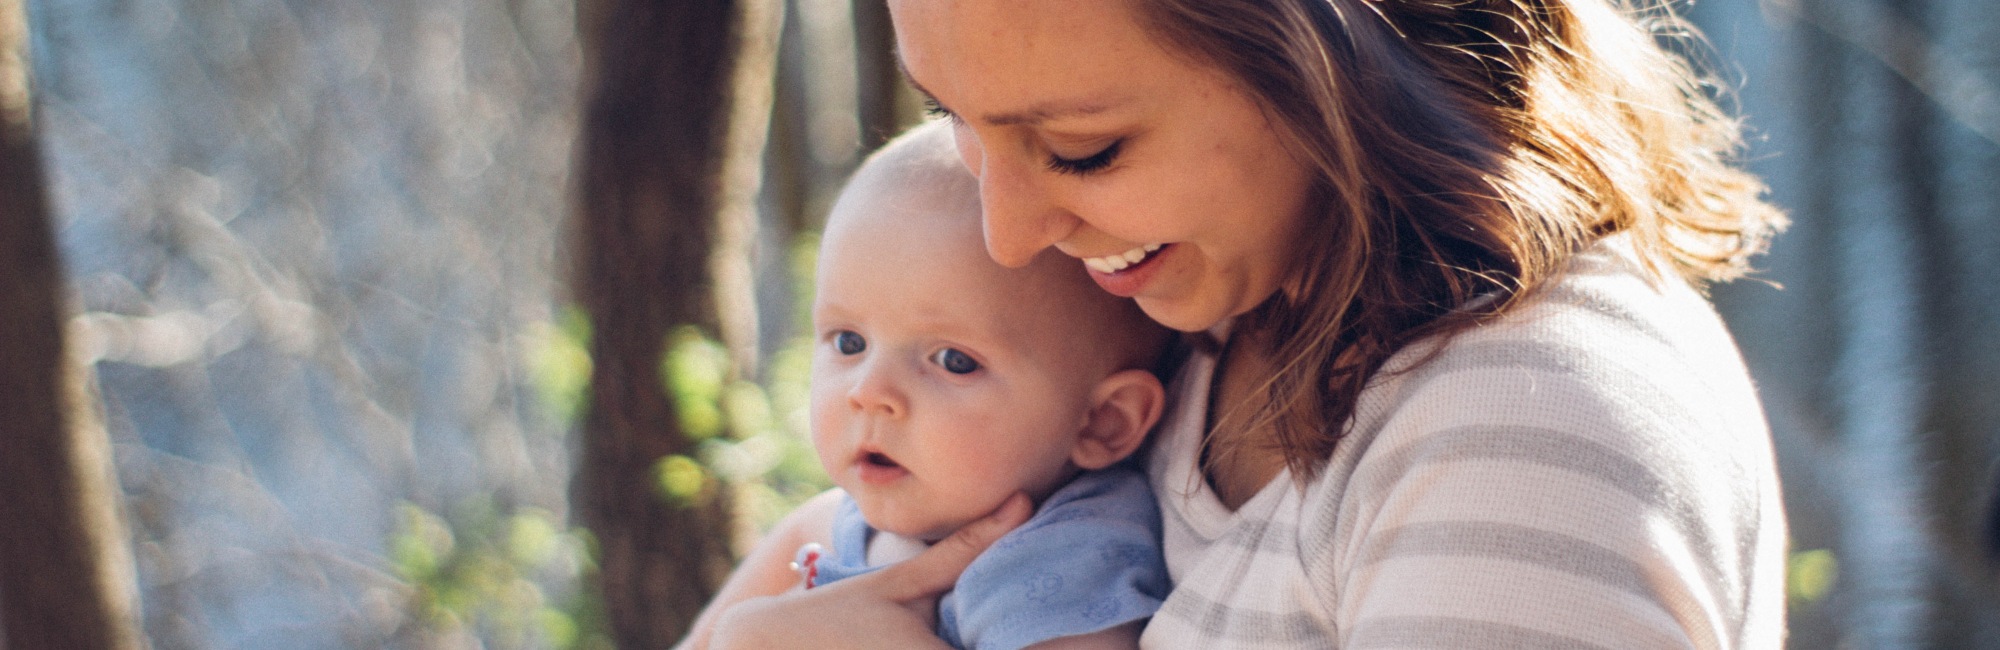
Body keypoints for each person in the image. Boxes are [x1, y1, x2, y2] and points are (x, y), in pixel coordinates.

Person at [712, 0, 1791, 647]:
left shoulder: (1530, 427)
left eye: (1082, 148)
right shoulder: (1200, 315)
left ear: (1332, 56)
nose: (1008, 232)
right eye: (955, 120)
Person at [681, 121, 1179, 650]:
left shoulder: (1062, 568)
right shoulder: (834, 525)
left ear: (1104, 421)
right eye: (849, 342)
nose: (869, 392)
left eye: (952, 360)